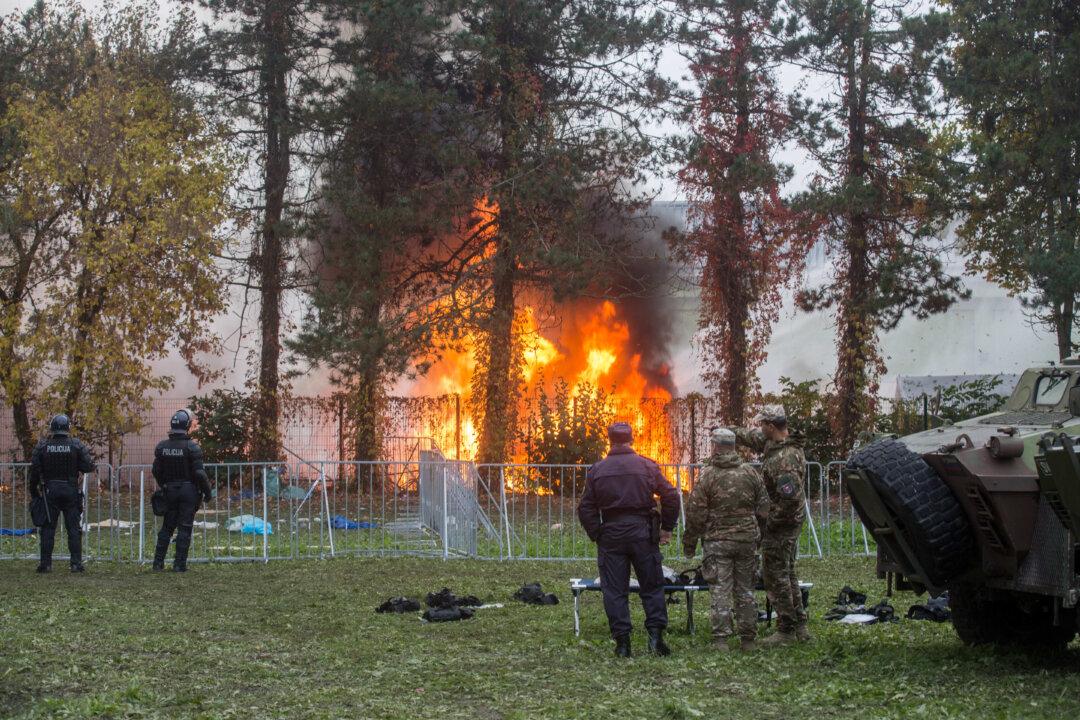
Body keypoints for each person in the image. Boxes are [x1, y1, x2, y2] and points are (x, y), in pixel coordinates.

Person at [577, 422, 681, 657]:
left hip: (612, 534)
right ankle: (656, 640)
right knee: (652, 585)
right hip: (643, 532)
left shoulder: (597, 470)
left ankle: (622, 644)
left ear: (610, 440)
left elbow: (585, 507)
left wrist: (598, 533)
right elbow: (671, 495)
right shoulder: (647, 466)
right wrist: (666, 528)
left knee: (614, 589)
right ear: (631, 440)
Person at [683, 428, 769, 652]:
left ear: (715, 446)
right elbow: (764, 509)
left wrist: (689, 544)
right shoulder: (751, 473)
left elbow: (695, 513)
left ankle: (721, 640)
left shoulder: (708, 475)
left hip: (717, 542)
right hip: (746, 540)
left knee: (720, 589)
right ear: (733, 446)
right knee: (745, 589)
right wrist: (760, 535)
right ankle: (748, 639)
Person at [734, 411, 809, 644]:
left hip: (782, 525)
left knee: (776, 576)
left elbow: (790, 500)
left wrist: (769, 524)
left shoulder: (785, 460)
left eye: (762, 424)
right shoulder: (776, 443)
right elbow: (751, 437)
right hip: (783, 523)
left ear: (770, 426)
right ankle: (800, 626)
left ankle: (786, 629)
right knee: (787, 572)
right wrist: (727, 431)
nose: (759, 428)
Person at [29, 414, 95, 573]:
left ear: (52, 427)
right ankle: (75, 564)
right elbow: (88, 466)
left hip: (50, 491)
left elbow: (35, 471)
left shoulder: (42, 446)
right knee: (73, 528)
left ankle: (45, 564)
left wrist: (34, 492)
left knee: (48, 529)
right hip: (70, 491)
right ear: (68, 428)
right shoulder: (76, 445)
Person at [152, 409, 212, 572]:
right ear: (186, 426)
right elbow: (199, 473)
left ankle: (158, 563)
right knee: (184, 528)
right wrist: (208, 492)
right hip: (188, 491)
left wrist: (164, 484)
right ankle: (179, 565)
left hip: (170, 490)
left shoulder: (162, 447)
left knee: (167, 527)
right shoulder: (192, 447)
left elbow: (156, 471)